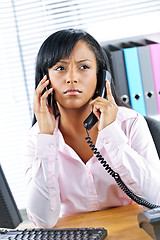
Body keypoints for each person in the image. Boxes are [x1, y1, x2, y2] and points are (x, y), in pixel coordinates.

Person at [24, 28, 160, 228]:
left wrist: (111, 133)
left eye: (83, 67)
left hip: (133, 231)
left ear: (101, 75)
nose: (72, 78)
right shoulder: (36, 138)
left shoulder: (130, 123)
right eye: (60, 68)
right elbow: (42, 221)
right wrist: (46, 137)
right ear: (45, 79)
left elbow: (156, 198)